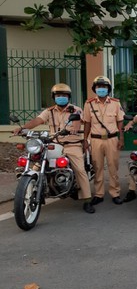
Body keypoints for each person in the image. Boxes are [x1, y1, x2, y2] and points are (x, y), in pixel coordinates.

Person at [13, 83, 93, 213]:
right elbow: (37, 120)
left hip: (72, 144)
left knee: (79, 169)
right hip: (54, 143)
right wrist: (23, 128)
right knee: (36, 167)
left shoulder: (75, 110)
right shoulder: (49, 111)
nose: (61, 97)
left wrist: (75, 129)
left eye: (64, 95)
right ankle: (23, 199)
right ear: (54, 97)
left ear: (68, 97)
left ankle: (87, 200)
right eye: (58, 95)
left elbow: (78, 121)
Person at [83, 76, 125, 208]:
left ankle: (115, 193)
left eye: (104, 87)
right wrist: (85, 140)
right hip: (95, 139)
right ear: (95, 89)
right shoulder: (89, 104)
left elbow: (120, 121)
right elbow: (87, 123)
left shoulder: (115, 103)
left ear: (108, 89)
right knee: (97, 167)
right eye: (99, 87)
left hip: (112, 139)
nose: (101, 89)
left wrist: (121, 137)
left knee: (113, 167)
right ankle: (99, 194)